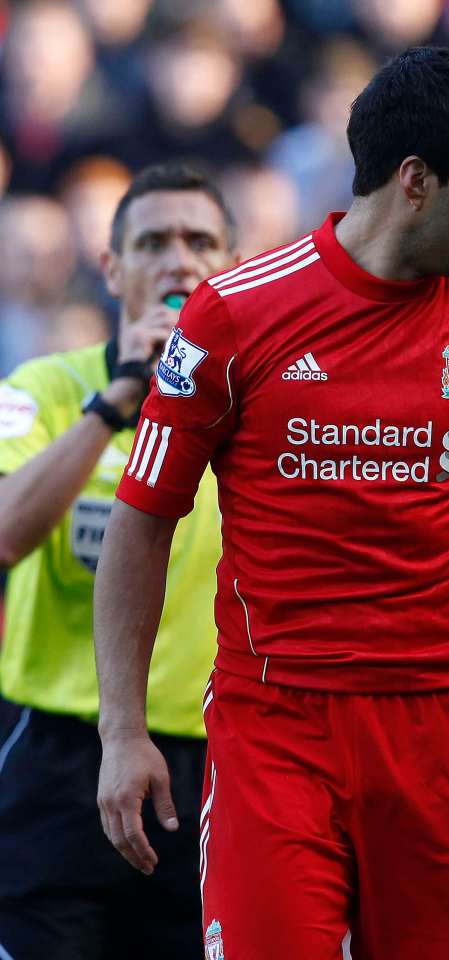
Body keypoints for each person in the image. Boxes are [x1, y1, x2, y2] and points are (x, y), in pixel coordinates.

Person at [94, 47, 449, 960]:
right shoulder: (235, 314)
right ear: (417, 180)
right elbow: (142, 520)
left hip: (445, 732)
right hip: (279, 728)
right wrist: (124, 730)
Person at [0, 162, 239, 960]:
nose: (179, 260)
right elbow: (3, 535)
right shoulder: (47, 387)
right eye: (154, 241)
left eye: (201, 241)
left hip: (212, 761)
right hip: (58, 757)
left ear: (232, 267)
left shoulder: (257, 410)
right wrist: (116, 404)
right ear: (111, 267)